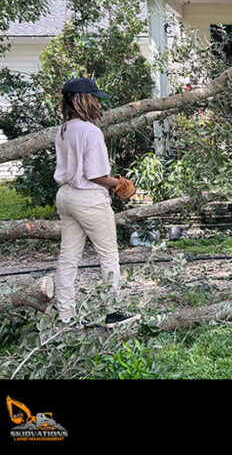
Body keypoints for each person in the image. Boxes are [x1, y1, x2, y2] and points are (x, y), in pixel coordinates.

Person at [53, 77, 140, 328]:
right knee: (108, 255)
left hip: (66, 196)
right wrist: (120, 184)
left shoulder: (64, 130)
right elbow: (95, 175)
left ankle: (65, 316)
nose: (97, 105)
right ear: (83, 100)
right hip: (88, 198)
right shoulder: (91, 131)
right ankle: (112, 312)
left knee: (68, 257)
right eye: (94, 100)